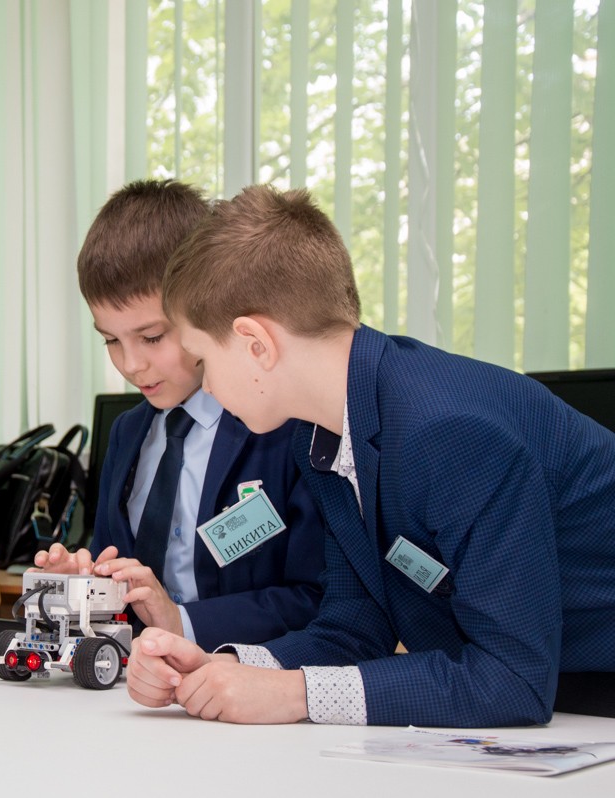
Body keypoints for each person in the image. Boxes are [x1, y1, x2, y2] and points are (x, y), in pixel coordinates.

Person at [129, 183, 615, 727]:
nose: (208, 388)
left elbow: (513, 679)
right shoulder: (325, 434)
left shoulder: (447, 431)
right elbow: (355, 626)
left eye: (203, 361)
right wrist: (230, 668)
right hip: (564, 700)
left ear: (255, 343)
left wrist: (295, 695)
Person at [33, 180, 324, 651]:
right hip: (138, 679)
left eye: (152, 337)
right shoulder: (128, 433)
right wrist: (85, 585)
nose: (131, 365)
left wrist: (183, 623)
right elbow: (121, 576)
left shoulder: (283, 425)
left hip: (244, 677)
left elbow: (319, 600)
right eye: (111, 340)